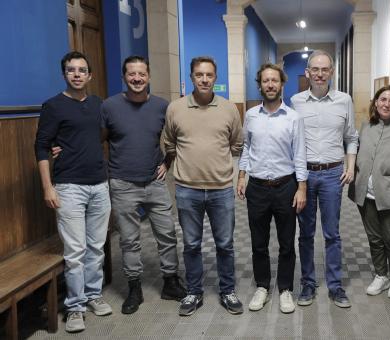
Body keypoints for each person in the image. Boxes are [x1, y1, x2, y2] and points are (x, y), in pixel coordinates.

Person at [101, 55, 185, 315]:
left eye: (141, 74)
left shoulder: (162, 106)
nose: (137, 79)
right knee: (129, 240)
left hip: (155, 182)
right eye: (131, 74)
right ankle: (134, 287)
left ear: (149, 76)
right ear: (124, 77)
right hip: (123, 184)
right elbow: (96, 139)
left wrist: (167, 163)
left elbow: (172, 140)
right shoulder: (109, 106)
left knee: (167, 234)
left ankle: (170, 281)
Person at [35, 51, 112, 333]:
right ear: (64, 74)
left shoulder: (97, 104)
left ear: (90, 75)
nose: (77, 74)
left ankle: (93, 295)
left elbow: (98, 137)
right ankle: (75, 307)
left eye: (82, 70)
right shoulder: (53, 106)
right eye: (71, 70)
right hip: (68, 187)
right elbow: (42, 147)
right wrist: (48, 187)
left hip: (99, 185)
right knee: (75, 250)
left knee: (96, 247)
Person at [163, 56, 244, 316]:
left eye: (209, 75)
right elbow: (169, 143)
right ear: (192, 77)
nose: (205, 79)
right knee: (191, 244)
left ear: (215, 77)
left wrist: (216, 159)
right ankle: (193, 292)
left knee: (225, 244)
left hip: (221, 188)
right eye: (199, 75)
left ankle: (227, 290)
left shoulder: (229, 108)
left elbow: (237, 143)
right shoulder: (175, 108)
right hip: (187, 189)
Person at [237, 63, 307, 314]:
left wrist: (302, 188)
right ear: (260, 85)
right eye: (265, 81)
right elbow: (247, 147)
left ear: (282, 85)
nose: (270, 85)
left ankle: (285, 289)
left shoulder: (293, 117)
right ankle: (263, 286)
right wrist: (241, 175)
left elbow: (299, 154)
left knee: (287, 242)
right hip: (256, 187)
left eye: (274, 81)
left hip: (285, 186)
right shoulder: (251, 115)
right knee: (259, 242)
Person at [290, 50, 358, 308]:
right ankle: (308, 283)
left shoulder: (344, 100)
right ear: (307, 72)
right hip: (304, 176)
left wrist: (349, 167)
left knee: (332, 234)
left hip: (332, 174)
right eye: (315, 69)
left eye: (325, 69)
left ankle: (335, 286)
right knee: (305, 233)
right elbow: (292, 140)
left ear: (332, 72)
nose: (319, 74)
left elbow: (352, 137)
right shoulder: (295, 101)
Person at [348, 85, 390, 299]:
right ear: (376, 102)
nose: (386, 104)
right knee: (374, 238)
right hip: (365, 195)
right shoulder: (366, 126)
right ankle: (381, 275)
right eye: (383, 99)